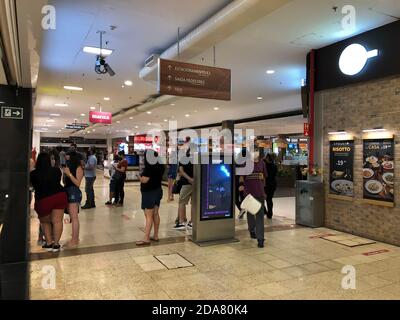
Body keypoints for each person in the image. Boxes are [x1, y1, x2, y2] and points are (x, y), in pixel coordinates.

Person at [30, 152, 68, 252]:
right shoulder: (56, 170)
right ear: (49, 161)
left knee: (45, 222)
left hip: (43, 200)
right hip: (59, 196)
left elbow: (32, 186)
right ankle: (56, 244)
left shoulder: (33, 174)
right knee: (57, 221)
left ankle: (49, 242)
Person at [239, 147, 268, 248]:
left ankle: (260, 238)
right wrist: (242, 185)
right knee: (251, 213)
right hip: (249, 193)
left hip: (260, 192)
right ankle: (252, 229)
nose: (255, 153)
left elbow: (264, 176)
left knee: (260, 215)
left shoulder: (262, 163)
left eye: (257, 151)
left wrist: (264, 189)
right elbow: (241, 176)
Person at [136, 150, 165, 245]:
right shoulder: (160, 165)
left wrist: (139, 177)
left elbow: (144, 180)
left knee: (148, 215)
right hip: (158, 190)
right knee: (155, 213)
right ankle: (155, 235)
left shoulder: (149, 166)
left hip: (149, 192)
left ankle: (146, 238)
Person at [63, 150, 84, 247]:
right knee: (72, 217)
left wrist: (69, 174)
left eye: (68, 157)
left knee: (74, 217)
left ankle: (75, 240)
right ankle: (74, 237)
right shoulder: (69, 166)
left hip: (74, 192)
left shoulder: (78, 168)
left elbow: (77, 183)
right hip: (68, 191)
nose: (66, 158)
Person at [174, 149, 193, 230]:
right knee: (194, 203)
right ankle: (192, 222)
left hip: (185, 183)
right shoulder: (199, 159)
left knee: (182, 202)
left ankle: (181, 222)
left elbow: (181, 172)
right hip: (196, 183)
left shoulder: (183, 159)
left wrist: (189, 178)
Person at [264, 153, 278, 219]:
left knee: (261, 198)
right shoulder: (274, 166)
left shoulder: (265, 165)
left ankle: (265, 211)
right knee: (269, 199)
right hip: (273, 184)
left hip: (266, 184)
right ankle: (270, 213)